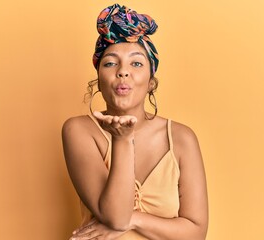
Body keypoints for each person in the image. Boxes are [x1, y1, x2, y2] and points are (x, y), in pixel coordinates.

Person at [62, 3, 208, 240]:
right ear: (98, 80)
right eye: (110, 63)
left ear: (151, 82)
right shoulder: (78, 130)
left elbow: (195, 232)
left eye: (137, 63)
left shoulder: (182, 138)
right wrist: (122, 139)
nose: (123, 71)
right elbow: (115, 217)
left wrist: (136, 220)